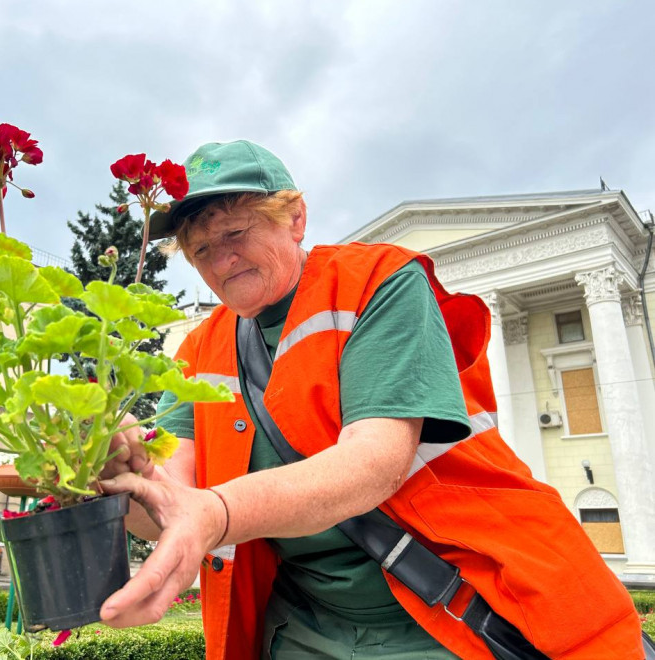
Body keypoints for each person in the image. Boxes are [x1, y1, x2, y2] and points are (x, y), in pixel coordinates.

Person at [98, 140, 643, 659]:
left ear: (295, 218)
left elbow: (374, 462)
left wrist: (216, 512)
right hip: (304, 628)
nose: (220, 263)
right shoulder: (199, 348)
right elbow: (172, 507)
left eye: (235, 232)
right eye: (201, 251)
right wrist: (117, 479)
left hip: (457, 609)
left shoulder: (377, 281)